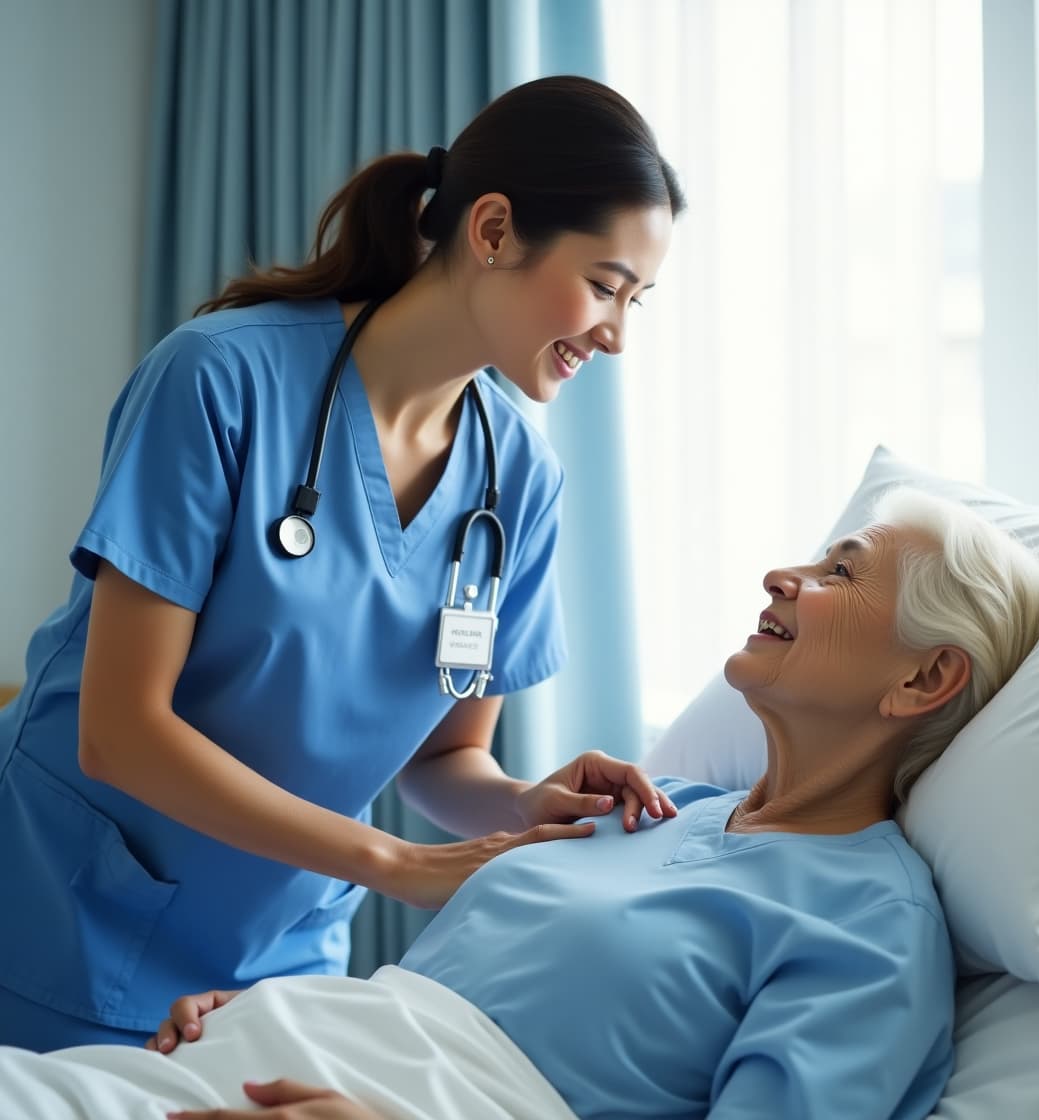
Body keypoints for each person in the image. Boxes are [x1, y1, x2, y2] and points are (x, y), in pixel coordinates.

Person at [0, 75, 686, 1052]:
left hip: (275, 958)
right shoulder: (219, 379)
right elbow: (119, 730)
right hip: (59, 914)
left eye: (637, 299)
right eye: (606, 285)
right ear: (491, 230)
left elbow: (444, 759)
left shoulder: (519, 478)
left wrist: (519, 802)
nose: (616, 333)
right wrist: (392, 862)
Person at [0, 489, 1039, 1119]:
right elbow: (451, 989)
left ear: (923, 682)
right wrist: (274, 1012)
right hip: (247, 1062)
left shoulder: (867, 923)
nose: (783, 575)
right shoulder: (649, 806)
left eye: (839, 571)